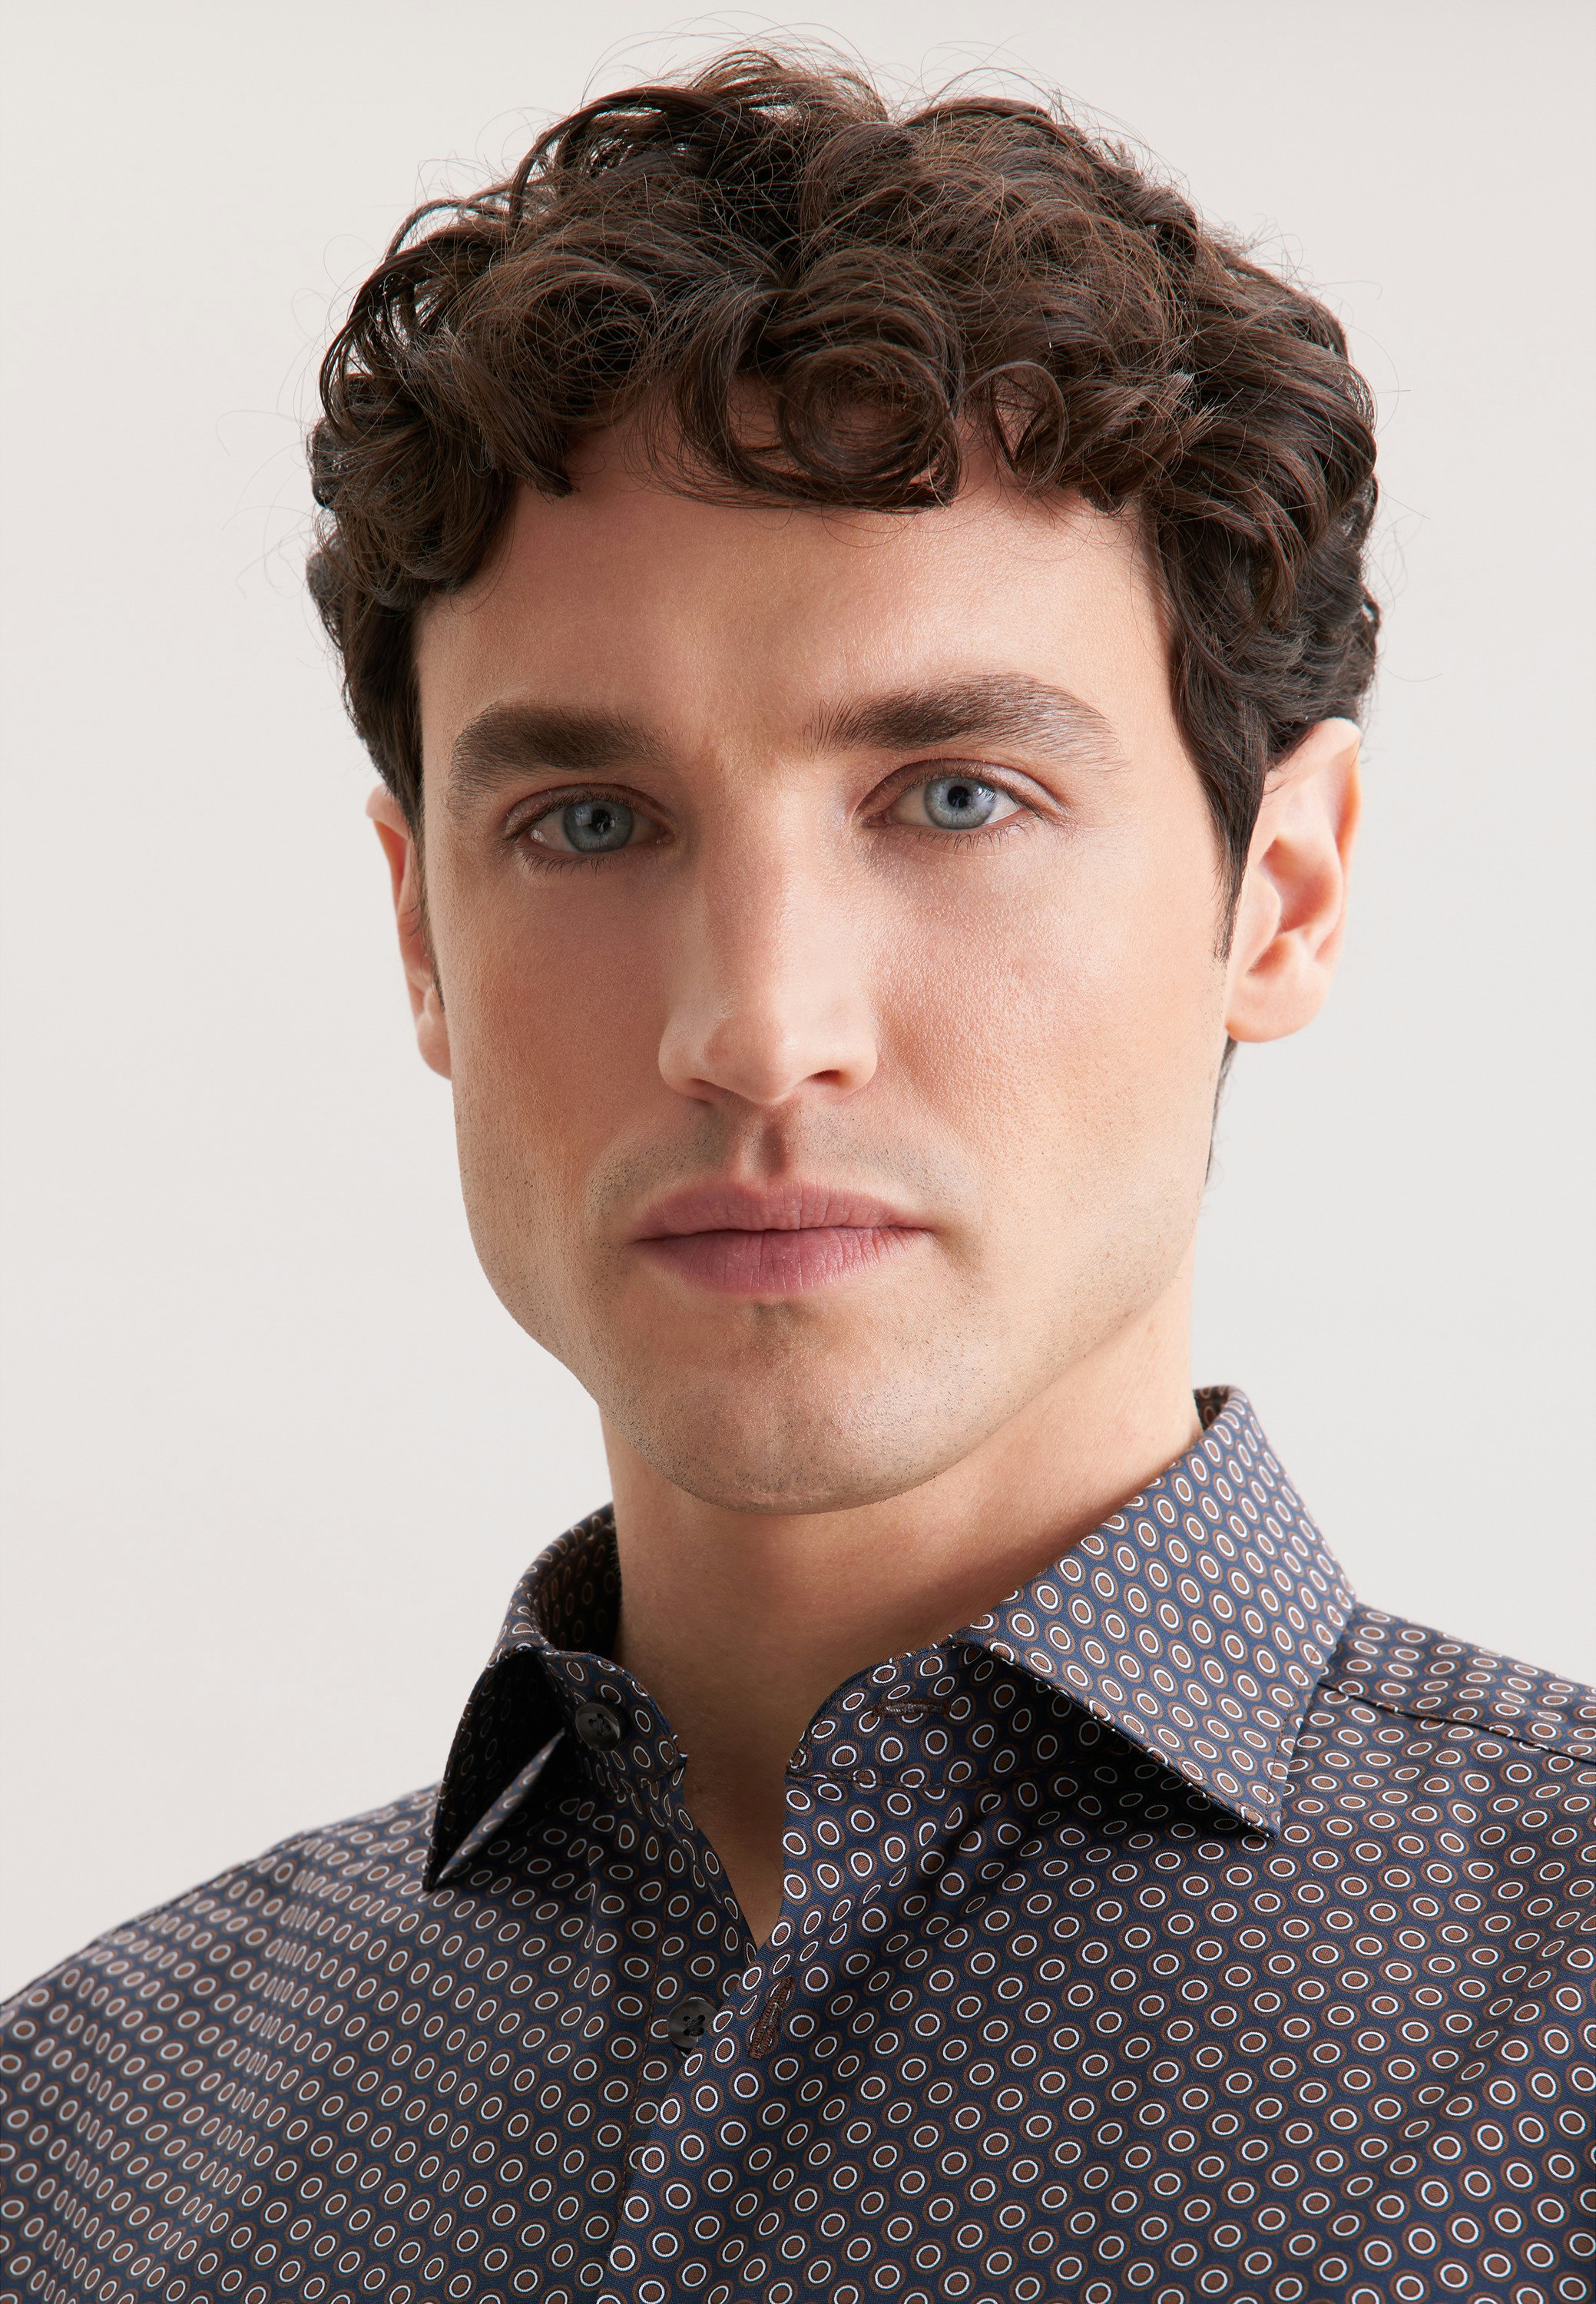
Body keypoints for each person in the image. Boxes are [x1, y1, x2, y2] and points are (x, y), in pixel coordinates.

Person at [2, 47, 1591, 2304]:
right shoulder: (78, 2139)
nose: (753, 1026)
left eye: (953, 797)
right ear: (420, 932)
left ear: (1285, 892)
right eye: (587, 823)